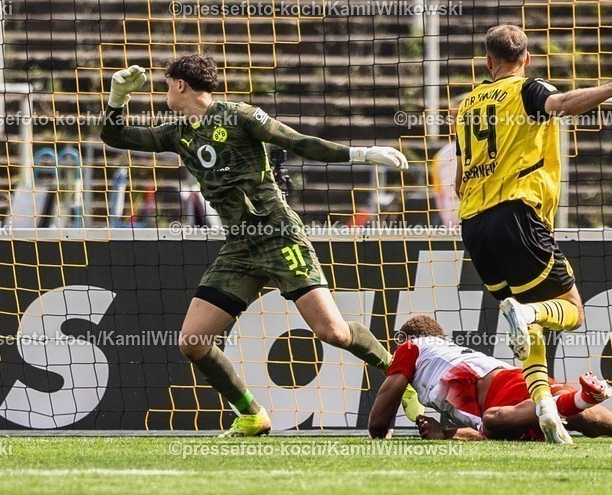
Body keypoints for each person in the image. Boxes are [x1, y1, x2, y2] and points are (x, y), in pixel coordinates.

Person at [100, 53, 422, 436]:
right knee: (193, 342)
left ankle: (405, 382)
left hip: (278, 234)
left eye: (167, 83)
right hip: (239, 247)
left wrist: (361, 154)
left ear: (181, 84)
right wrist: (117, 98)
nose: (164, 91)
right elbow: (114, 136)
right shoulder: (177, 132)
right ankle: (252, 414)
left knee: (332, 332)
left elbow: (298, 142)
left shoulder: (238, 116)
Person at [455, 24, 612, 443]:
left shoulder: (466, 104)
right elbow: (561, 104)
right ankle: (526, 314)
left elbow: (458, 179)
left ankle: (544, 408)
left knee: (530, 326)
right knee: (571, 311)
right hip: (519, 215)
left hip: (473, 225)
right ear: (525, 59)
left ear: (488, 61)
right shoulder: (527, 89)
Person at [368, 315, 612, 443]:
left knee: (494, 420)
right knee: (581, 420)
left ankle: (571, 402)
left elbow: (389, 390)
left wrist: (378, 431)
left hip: (502, 387)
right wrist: (445, 432)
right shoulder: (441, 363)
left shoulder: (412, 346)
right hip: (520, 388)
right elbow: (482, 435)